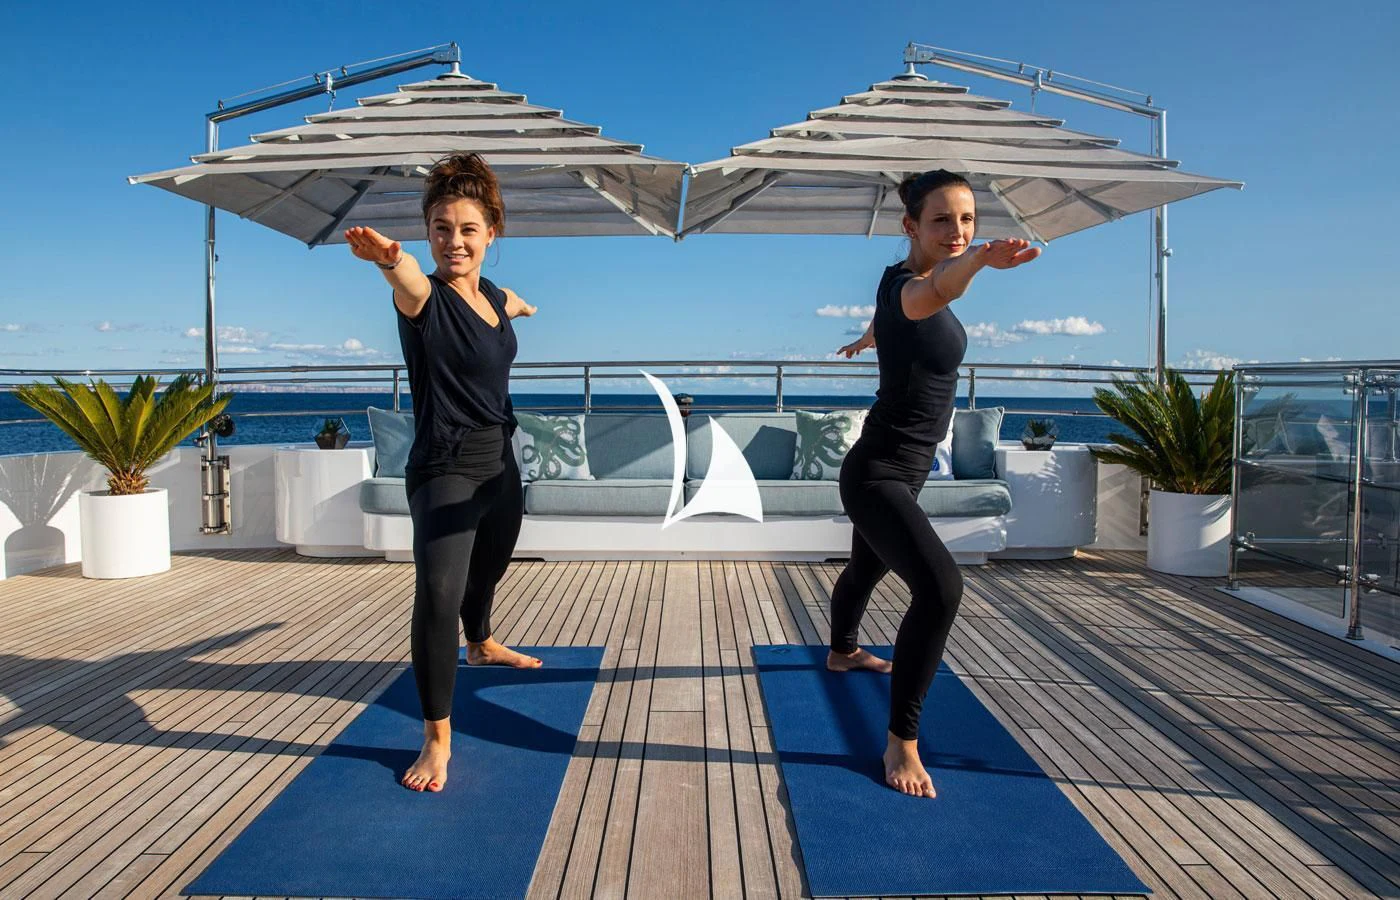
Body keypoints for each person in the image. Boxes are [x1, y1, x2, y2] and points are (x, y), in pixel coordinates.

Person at [831, 169, 1040, 798]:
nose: (958, 230)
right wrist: (978, 258)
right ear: (911, 227)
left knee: (867, 567)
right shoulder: (912, 286)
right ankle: (902, 739)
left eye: (969, 219)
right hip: (875, 474)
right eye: (943, 220)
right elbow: (925, 295)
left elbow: (898, 312)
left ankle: (842, 651)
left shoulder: (895, 288)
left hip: (905, 469)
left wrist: (871, 335)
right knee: (941, 588)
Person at [345, 152, 541, 793]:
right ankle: (437, 737)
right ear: (427, 234)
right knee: (437, 597)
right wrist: (387, 257)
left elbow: (509, 300)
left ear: (491, 236)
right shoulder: (421, 297)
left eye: (466, 229)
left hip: (499, 463)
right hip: (444, 469)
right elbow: (407, 278)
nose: (452, 241)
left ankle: (482, 642)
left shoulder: (491, 295)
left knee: (492, 563)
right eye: (440, 228)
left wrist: (524, 306)